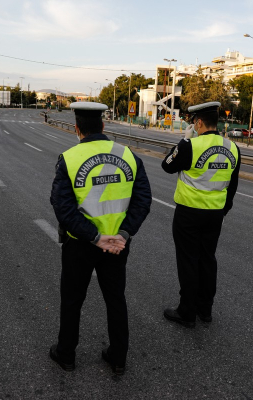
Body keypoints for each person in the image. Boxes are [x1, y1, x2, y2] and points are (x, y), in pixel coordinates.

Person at [49, 102, 152, 375]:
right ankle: (118, 357)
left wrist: (94, 236)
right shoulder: (129, 155)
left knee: (72, 300)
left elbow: (62, 208)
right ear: (104, 126)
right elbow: (142, 201)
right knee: (115, 299)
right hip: (118, 245)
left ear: (76, 128)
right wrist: (124, 233)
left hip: (80, 245)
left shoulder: (69, 158)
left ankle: (66, 355)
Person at [161, 101, 240, 328]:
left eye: (193, 123)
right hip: (215, 214)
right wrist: (223, 209)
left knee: (188, 261)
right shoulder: (233, 148)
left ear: (198, 123)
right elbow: (232, 185)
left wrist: (184, 140)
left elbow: (167, 165)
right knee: (207, 260)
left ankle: (186, 311)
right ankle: (205, 309)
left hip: (189, 212)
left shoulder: (191, 146)